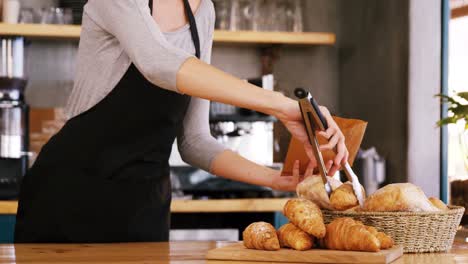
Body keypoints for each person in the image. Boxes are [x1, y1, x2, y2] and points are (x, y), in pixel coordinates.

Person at [14, 0, 348, 243]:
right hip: (68, 202)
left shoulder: (203, 12)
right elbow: (158, 62)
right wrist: (281, 106)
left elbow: (194, 141)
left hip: (142, 211)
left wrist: (276, 179)